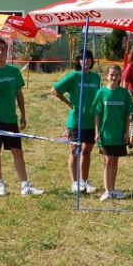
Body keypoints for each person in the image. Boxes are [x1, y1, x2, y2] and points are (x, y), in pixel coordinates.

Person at [0, 38, 43, 196]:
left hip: (11, 119)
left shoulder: (14, 71)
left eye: (3, 49)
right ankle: (0, 184)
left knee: (17, 152)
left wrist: (23, 115)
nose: (0, 52)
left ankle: (25, 186)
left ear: (7, 51)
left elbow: (19, 94)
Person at [52, 48, 102, 193]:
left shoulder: (96, 77)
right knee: (75, 151)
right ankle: (75, 182)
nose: (85, 61)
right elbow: (54, 90)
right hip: (76, 121)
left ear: (92, 61)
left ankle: (84, 181)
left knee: (87, 152)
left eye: (88, 58)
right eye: (82, 58)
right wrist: (69, 103)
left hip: (91, 121)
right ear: (78, 61)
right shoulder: (74, 76)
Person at [93, 64, 133, 201]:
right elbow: (98, 114)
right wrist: (97, 132)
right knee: (108, 160)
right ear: (107, 76)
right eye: (111, 75)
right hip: (106, 134)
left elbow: (127, 114)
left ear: (120, 77)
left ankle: (112, 189)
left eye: (116, 75)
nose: (114, 77)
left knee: (115, 161)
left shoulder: (124, 94)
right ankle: (107, 190)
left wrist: (127, 132)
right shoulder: (101, 93)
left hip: (119, 133)